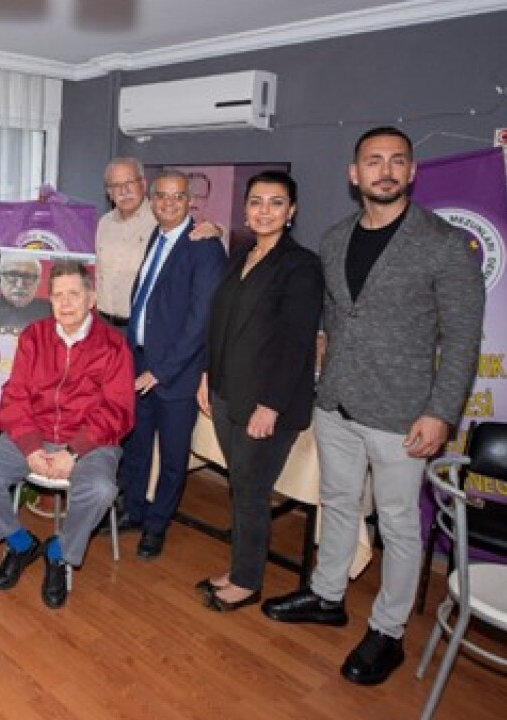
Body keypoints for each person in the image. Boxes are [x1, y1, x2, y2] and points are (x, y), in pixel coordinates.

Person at [263, 127, 485, 686]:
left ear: (412, 171)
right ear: (354, 173)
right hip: (336, 403)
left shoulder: (444, 243)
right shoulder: (336, 238)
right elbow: (338, 318)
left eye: (396, 161)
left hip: (404, 414)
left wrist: (441, 413)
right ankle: (327, 594)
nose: (385, 171)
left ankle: (388, 631)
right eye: (373, 161)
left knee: (398, 524)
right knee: (338, 503)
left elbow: (463, 338)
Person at [0, 261, 134, 609]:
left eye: (74, 294)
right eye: (58, 295)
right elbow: (14, 397)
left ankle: (59, 551)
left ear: (91, 298)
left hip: (89, 442)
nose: (65, 303)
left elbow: (118, 411)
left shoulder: (114, 345)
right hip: (37, 433)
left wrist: (72, 452)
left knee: (101, 489)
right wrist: (31, 448)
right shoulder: (34, 336)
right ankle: (20, 543)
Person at [194, 170, 323, 612]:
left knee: (251, 490)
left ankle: (247, 581)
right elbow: (220, 324)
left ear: (292, 211)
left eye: (275, 202)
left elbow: (296, 342)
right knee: (241, 486)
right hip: (227, 392)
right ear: (245, 209)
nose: (264, 211)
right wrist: (207, 375)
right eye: (256, 202)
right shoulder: (240, 257)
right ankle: (239, 567)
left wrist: (270, 405)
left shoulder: (301, 266)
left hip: (266, 403)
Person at [116, 170, 227, 560]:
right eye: (161, 196)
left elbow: (200, 321)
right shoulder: (157, 236)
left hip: (174, 373)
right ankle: (134, 510)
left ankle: (156, 525)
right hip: (139, 361)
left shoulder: (206, 247)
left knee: (173, 457)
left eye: (177, 196)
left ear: (190, 201)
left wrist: (161, 370)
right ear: (152, 200)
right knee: (136, 445)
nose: (168, 203)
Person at [93, 157, 221, 330]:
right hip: (103, 323)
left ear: (143, 184)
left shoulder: (162, 218)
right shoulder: (104, 223)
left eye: (130, 182)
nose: (124, 191)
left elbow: (200, 238)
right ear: (109, 192)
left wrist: (217, 231)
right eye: (116, 185)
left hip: (140, 327)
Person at [0, 254, 50, 334]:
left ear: (39, 282)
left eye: (28, 277)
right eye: (12, 275)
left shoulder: (52, 310)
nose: (19, 285)